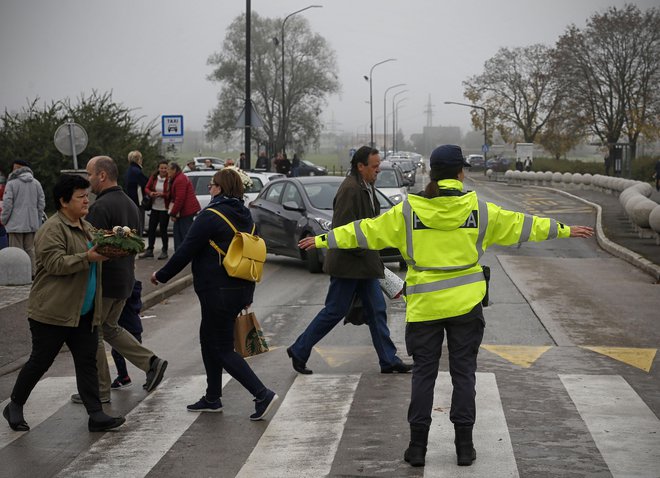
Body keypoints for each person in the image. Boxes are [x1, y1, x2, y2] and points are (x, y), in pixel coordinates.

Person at [298, 144, 594, 468]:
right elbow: (524, 225)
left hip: (424, 308)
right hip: (467, 307)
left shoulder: (408, 211)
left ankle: (417, 448)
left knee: (423, 375)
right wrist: (564, 230)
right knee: (464, 374)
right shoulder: (479, 210)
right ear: (460, 172)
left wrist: (324, 240)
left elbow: (366, 231)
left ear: (431, 173)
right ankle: (464, 448)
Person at [151, 169, 279, 420]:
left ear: (220, 188)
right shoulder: (247, 216)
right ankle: (212, 397)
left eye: (211, 185)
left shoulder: (210, 216)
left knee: (222, 348)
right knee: (208, 340)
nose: (209, 189)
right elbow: (252, 257)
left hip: (216, 291)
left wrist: (162, 275)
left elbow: (186, 250)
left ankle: (262, 394)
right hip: (239, 288)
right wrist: (248, 293)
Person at [3, 174, 125, 433]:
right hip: (52, 312)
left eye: (87, 196)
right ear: (63, 201)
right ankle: (14, 404)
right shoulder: (52, 229)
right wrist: (88, 257)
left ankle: (96, 414)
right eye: (80, 197)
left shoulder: (86, 226)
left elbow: (98, 250)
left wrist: (116, 247)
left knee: (87, 362)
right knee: (40, 361)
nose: (86, 201)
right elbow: (55, 263)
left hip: (84, 311)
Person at [286, 146, 412, 376]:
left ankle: (388, 360)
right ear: (360, 166)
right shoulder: (350, 190)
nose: (378, 171)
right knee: (335, 310)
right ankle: (299, 349)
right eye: (374, 167)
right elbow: (343, 231)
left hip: (364, 265)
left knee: (377, 310)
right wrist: (368, 252)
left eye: (378, 166)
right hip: (349, 265)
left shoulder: (365, 186)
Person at [72, 156, 168, 404]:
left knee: (93, 334)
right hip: (125, 280)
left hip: (104, 283)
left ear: (102, 175)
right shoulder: (129, 203)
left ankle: (98, 391)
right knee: (111, 328)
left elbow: (92, 246)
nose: (88, 179)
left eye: (90, 174)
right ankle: (151, 362)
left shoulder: (100, 207)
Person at [0, 159, 46, 277]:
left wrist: (4, 220)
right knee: (30, 250)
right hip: (31, 223)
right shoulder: (36, 183)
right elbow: (41, 204)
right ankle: (32, 273)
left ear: (19, 168)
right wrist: (37, 219)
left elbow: (7, 204)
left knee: (16, 251)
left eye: (15, 167)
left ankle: (18, 275)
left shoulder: (12, 183)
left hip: (15, 224)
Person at [110, 280, 144, 389]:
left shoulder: (125, 289)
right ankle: (124, 377)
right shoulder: (135, 287)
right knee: (129, 353)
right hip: (134, 326)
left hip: (127, 327)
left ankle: (124, 377)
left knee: (134, 354)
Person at [139, 160, 171, 259]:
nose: (163, 170)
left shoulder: (169, 179)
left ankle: (164, 250)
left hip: (164, 209)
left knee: (163, 230)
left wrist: (163, 195)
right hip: (154, 207)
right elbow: (147, 188)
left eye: (165, 168)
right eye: (161, 168)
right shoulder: (153, 178)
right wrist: (151, 193)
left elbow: (171, 193)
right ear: (158, 168)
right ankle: (150, 250)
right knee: (151, 230)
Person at [167, 161, 201, 250]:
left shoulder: (180, 179)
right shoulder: (179, 178)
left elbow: (179, 198)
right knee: (180, 234)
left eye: (169, 170)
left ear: (174, 170)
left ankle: (185, 254)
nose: (167, 172)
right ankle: (180, 253)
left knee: (184, 235)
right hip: (184, 211)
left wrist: (173, 213)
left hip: (186, 212)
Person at [125, 151, 148, 234]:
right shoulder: (137, 171)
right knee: (139, 226)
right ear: (138, 159)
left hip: (131, 201)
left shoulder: (129, 170)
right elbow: (146, 183)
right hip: (138, 202)